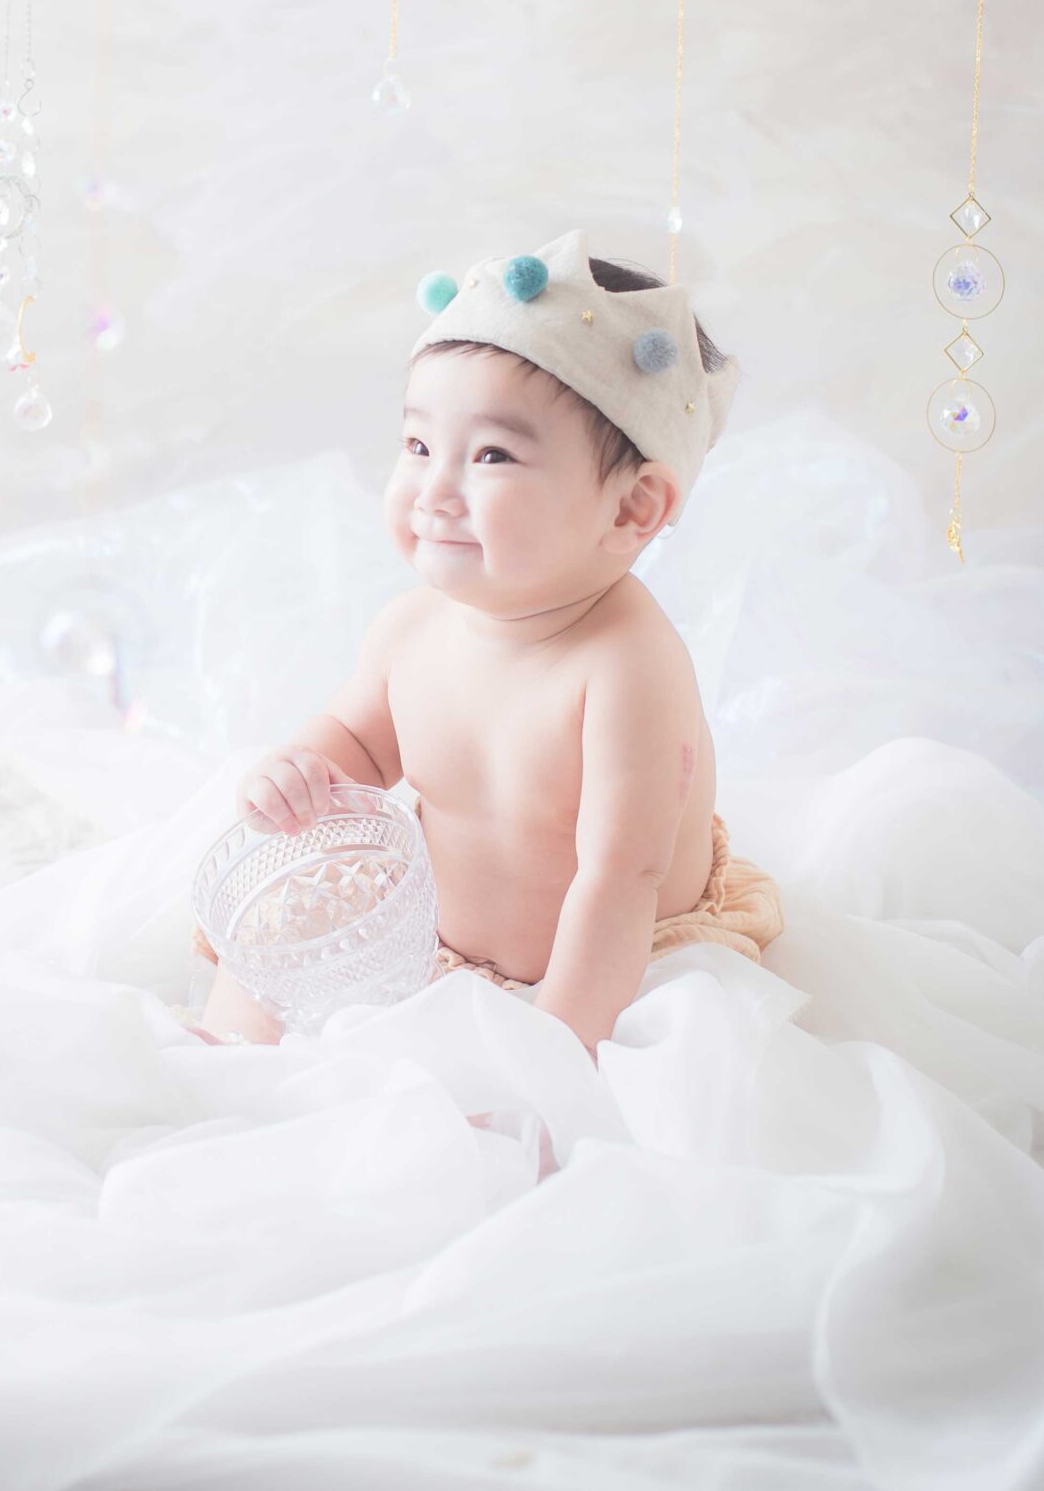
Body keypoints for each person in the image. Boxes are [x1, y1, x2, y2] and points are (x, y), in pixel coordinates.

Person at [189, 228, 783, 1051]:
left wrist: (549, 1052)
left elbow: (621, 880)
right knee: (290, 895)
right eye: (418, 445)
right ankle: (223, 1057)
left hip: (610, 966)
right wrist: (302, 773)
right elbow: (358, 745)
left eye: (493, 455)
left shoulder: (626, 670)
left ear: (630, 508)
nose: (433, 490)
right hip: (437, 938)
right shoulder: (410, 628)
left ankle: (545, 1053)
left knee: (597, 1062)